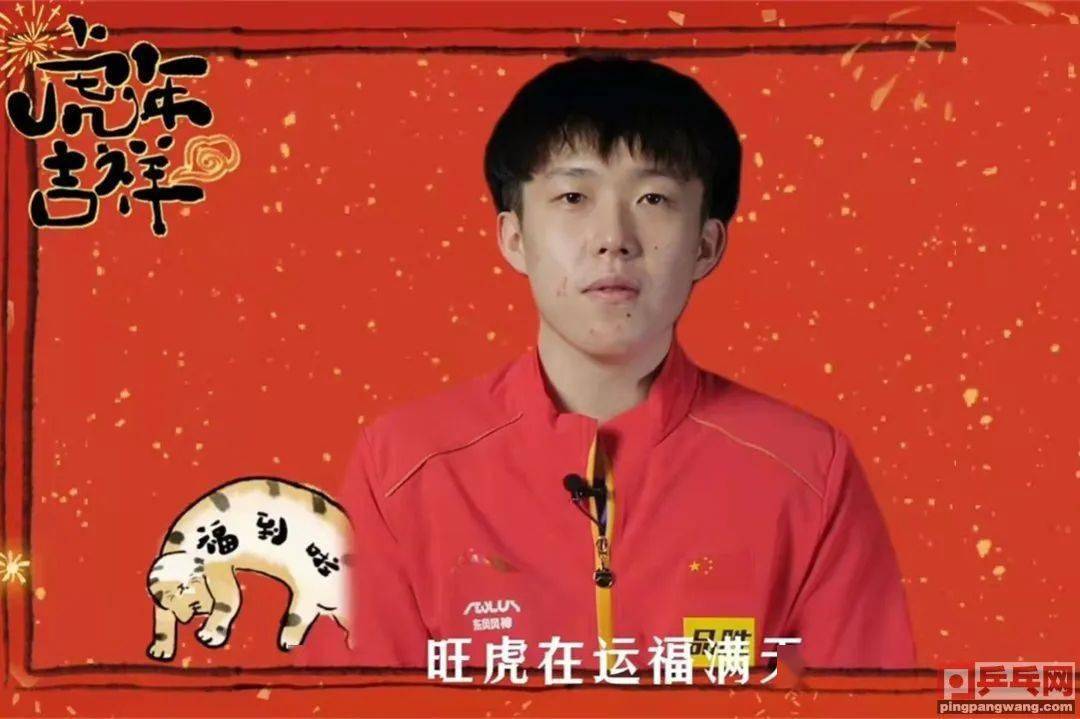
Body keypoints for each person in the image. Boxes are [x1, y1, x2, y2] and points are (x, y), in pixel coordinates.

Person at [301, 55, 916, 673]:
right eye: (573, 196)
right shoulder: (405, 465)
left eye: (653, 197)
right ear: (514, 238)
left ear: (706, 245)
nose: (613, 238)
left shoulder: (806, 471)